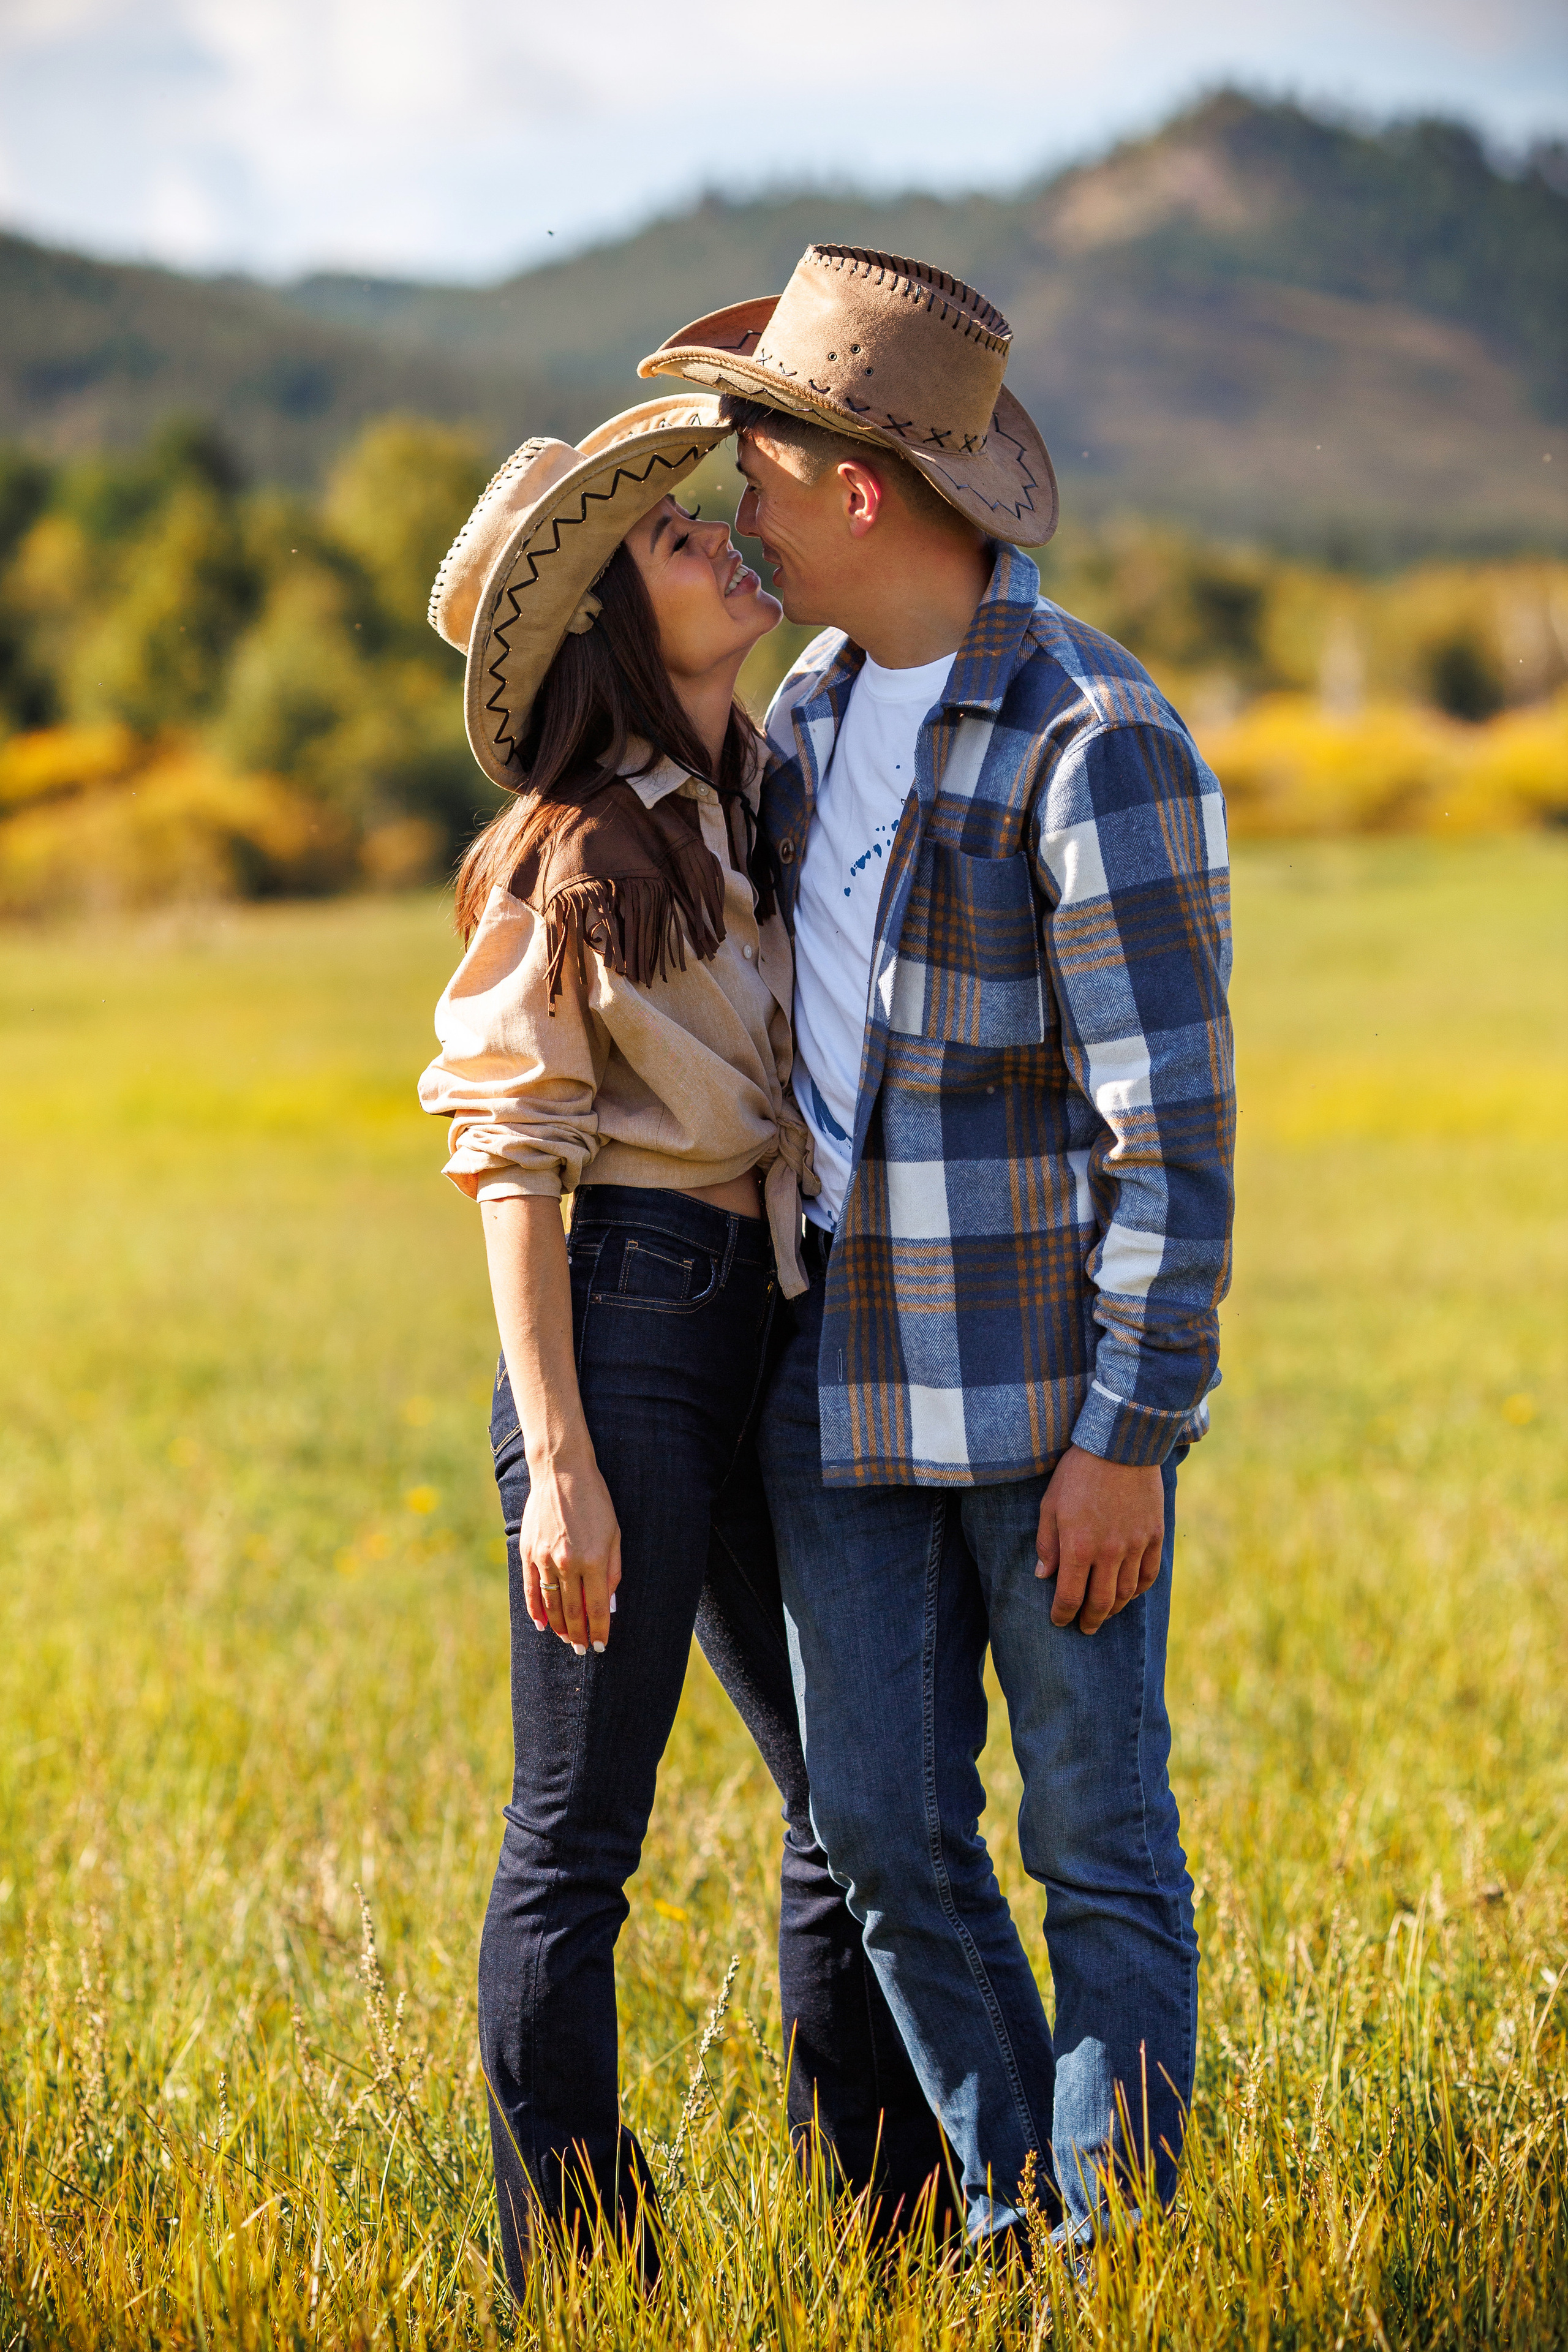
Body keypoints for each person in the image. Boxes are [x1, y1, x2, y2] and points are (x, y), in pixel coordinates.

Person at [638, 246, 1236, 2250]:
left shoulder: (1095, 738)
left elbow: (1177, 1131)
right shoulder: (802, 716)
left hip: (1051, 1402)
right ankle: (1015, 2225)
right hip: (841, 1394)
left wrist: (1130, 1439)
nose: (741, 509)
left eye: (761, 471)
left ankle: (1123, 2251)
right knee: (884, 1832)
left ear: (861, 490)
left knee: (1095, 1846)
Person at [417, 395, 946, 2290]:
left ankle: (884, 2222)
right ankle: (578, 2267)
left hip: (763, 1328)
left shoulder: (743, 808)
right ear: (619, 634)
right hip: (630, 1336)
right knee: (579, 1840)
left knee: (848, 1806)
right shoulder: (572, 856)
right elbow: (510, 1161)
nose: (720, 536)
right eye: (671, 543)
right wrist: (556, 1455)